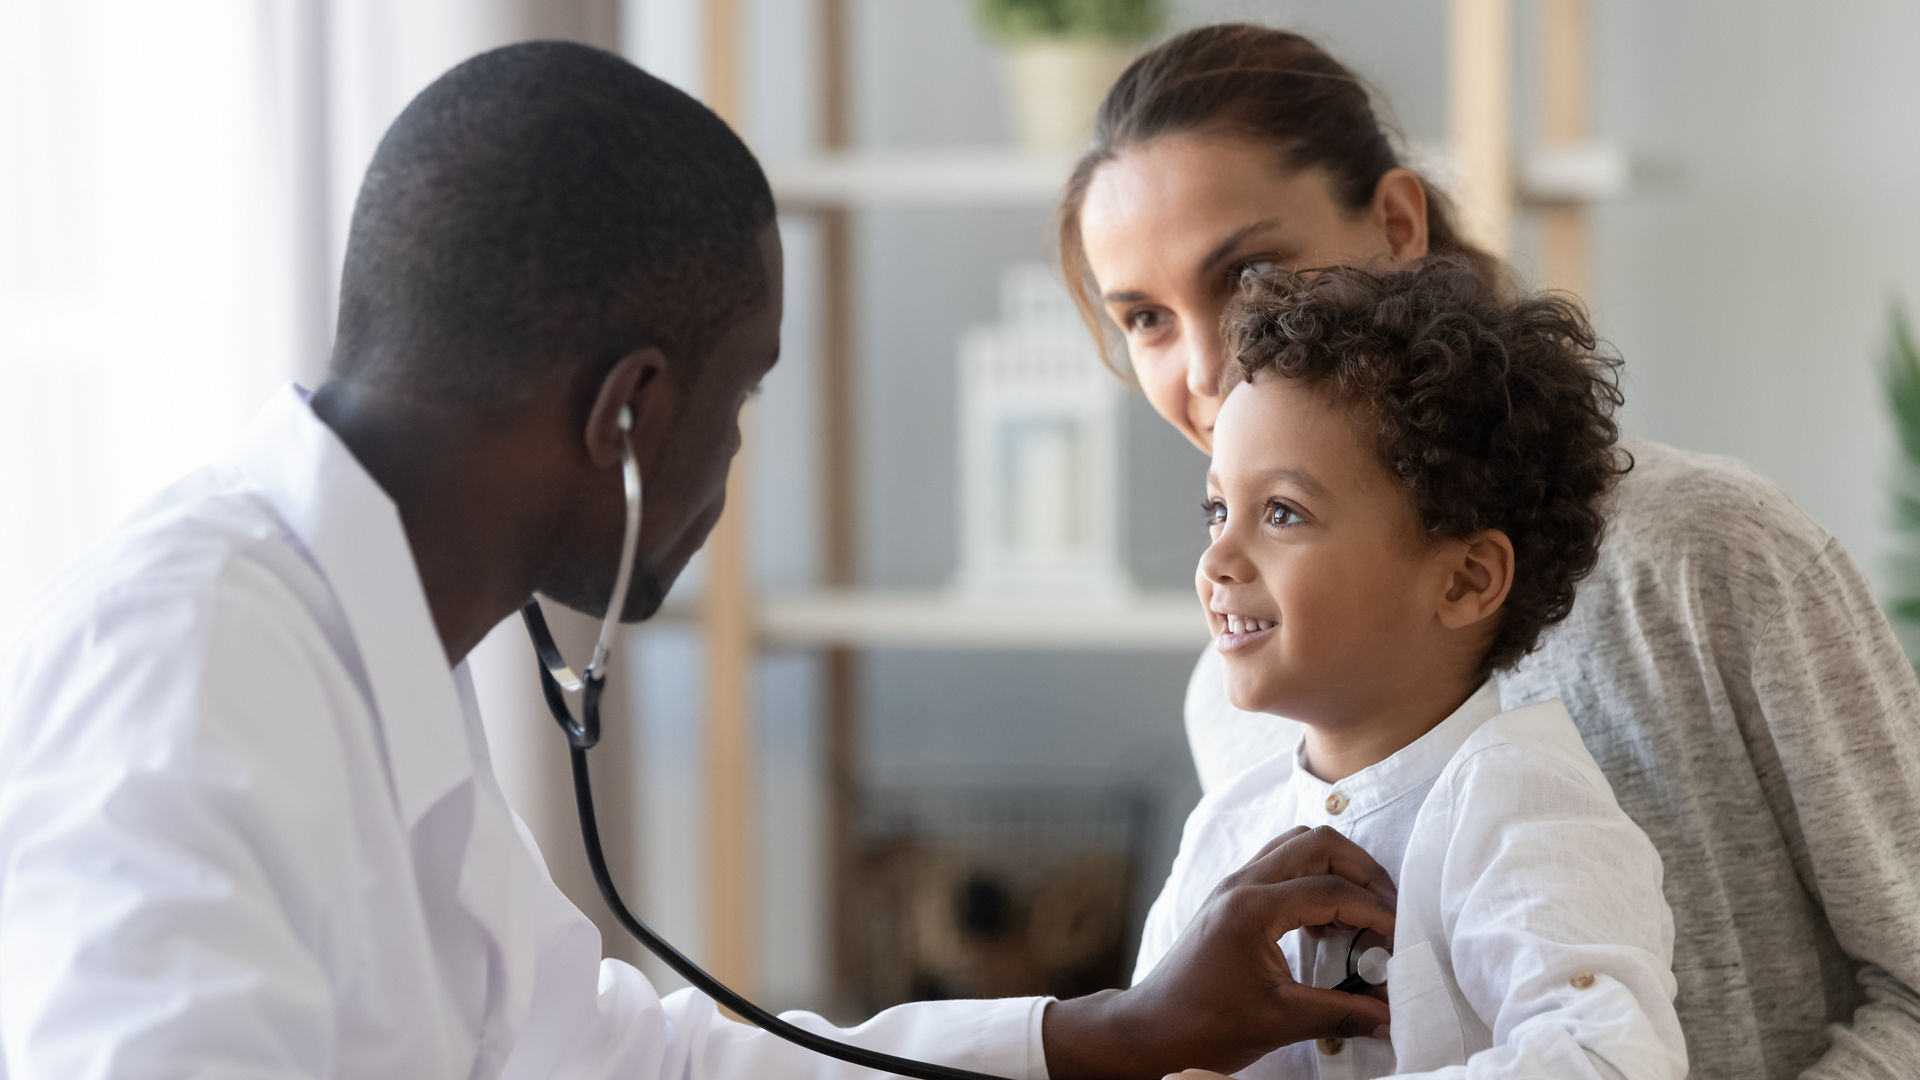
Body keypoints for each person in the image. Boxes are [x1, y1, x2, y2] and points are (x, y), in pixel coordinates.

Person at [0, 41, 1397, 1080]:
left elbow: (629, 1062)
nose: (732, 460)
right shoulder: (180, 672)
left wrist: (1115, 1031)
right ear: (629, 415)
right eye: (739, 401)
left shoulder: (359, 651)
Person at [1058, 23, 1920, 1079]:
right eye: (1145, 318)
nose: (1205, 367)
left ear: (1396, 221)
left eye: (1249, 274)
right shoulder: (1241, 708)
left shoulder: (1709, 558)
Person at [1141, 257, 1682, 1077]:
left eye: (1281, 512)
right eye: (1219, 508)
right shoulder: (1228, 829)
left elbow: (1606, 1059)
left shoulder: (1520, 805)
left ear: (1465, 581)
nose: (1218, 556)